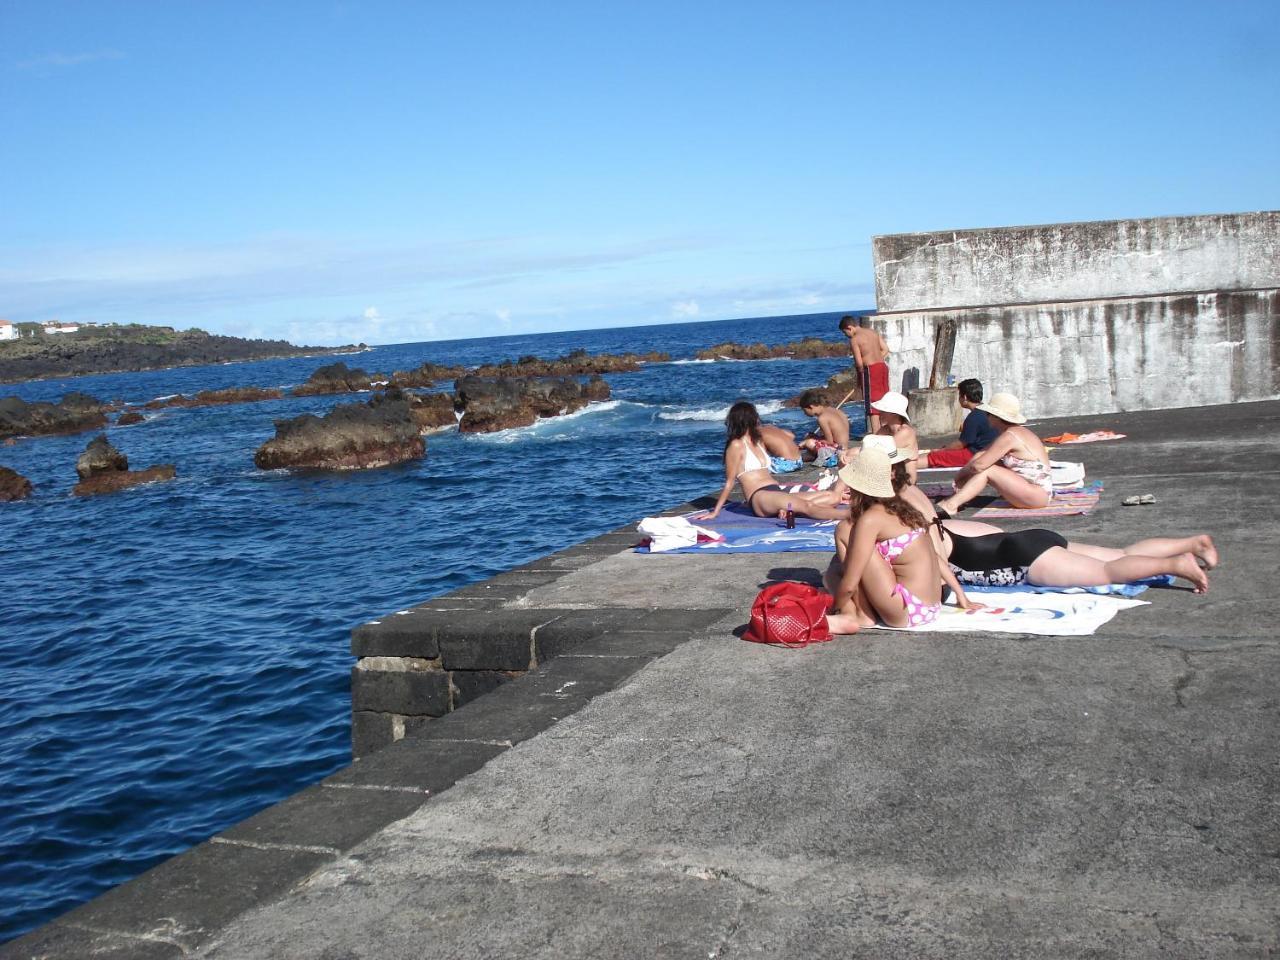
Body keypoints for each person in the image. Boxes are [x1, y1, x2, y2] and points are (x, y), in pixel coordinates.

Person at [886, 459, 1215, 594]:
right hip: (1025, 541)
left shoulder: (906, 523)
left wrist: (959, 596)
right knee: (1119, 554)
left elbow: (937, 563)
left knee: (1111, 572)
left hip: (1025, 559)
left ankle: (1176, 564)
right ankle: (1192, 544)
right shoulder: (918, 500)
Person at [823, 445, 969, 634]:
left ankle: (859, 614)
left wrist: (835, 607)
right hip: (931, 607)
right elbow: (934, 556)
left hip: (907, 610)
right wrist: (960, 594)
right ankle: (855, 610)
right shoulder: (904, 510)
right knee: (833, 572)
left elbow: (850, 584)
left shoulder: (870, 519)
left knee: (844, 531)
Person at [696, 400, 848, 521]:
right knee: (807, 505)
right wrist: (715, 512)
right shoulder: (736, 445)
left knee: (831, 497)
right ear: (747, 419)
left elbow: (789, 436)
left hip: (775, 491)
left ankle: (789, 510)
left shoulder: (757, 442)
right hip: (759, 497)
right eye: (755, 417)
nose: (758, 420)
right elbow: (729, 482)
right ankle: (852, 516)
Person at [933, 392, 1053, 516]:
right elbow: (981, 454)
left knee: (987, 469)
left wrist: (960, 478)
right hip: (1033, 492)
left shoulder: (1010, 436)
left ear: (996, 417)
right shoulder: (1011, 433)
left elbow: (979, 465)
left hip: (1037, 494)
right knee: (991, 462)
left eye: (988, 414)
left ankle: (951, 505)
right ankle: (958, 498)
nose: (986, 417)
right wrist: (960, 477)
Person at [917, 378, 998, 469]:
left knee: (935, 457)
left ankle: (907, 466)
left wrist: (942, 450)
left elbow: (961, 444)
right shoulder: (988, 412)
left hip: (975, 454)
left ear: (965, 397)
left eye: (959, 395)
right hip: (988, 452)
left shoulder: (974, 416)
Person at [839, 315, 891, 432]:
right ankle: (887, 432)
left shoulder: (854, 339)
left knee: (872, 405)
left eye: (844, 333)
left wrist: (859, 377)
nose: (845, 336)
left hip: (870, 371)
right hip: (882, 367)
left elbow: (858, 362)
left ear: (849, 328)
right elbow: (885, 349)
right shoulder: (873, 332)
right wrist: (876, 359)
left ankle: (877, 434)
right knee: (884, 401)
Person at [797, 389, 850, 466]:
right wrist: (815, 437)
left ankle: (812, 455)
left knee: (809, 442)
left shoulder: (822, 418)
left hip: (837, 452)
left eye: (804, 410)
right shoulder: (836, 411)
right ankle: (812, 455)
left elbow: (829, 441)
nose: (804, 413)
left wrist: (806, 442)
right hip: (844, 447)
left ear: (811, 407)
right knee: (810, 436)